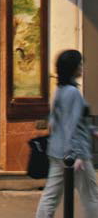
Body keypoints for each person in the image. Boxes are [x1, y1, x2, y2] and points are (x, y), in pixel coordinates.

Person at [35, 49, 98, 218]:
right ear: (73, 68)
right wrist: (75, 154)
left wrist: (92, 130)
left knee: (50, 196)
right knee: (91, 196)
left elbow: (57, 122)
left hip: (57, 151)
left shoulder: (61, 90)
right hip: (75, 155)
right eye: (80, 64)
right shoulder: (72, 93)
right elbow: (72, 125)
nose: (82, 67)